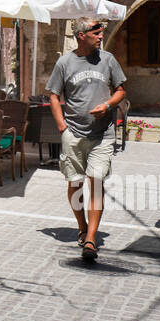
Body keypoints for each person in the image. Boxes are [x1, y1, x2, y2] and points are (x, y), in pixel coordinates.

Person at [46, 16, 126, 263]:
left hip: (102, 134)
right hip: (73, 133)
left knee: (97, 181)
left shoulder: (108, 60)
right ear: (82, 35)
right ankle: (82, 226)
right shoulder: (65, 62)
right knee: (75, 183)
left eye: (101, 33)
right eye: (96, 33)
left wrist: (108, 105)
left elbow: (121, 90)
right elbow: (53, 95)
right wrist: (62, 127)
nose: (101, 36)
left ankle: (91, 237)